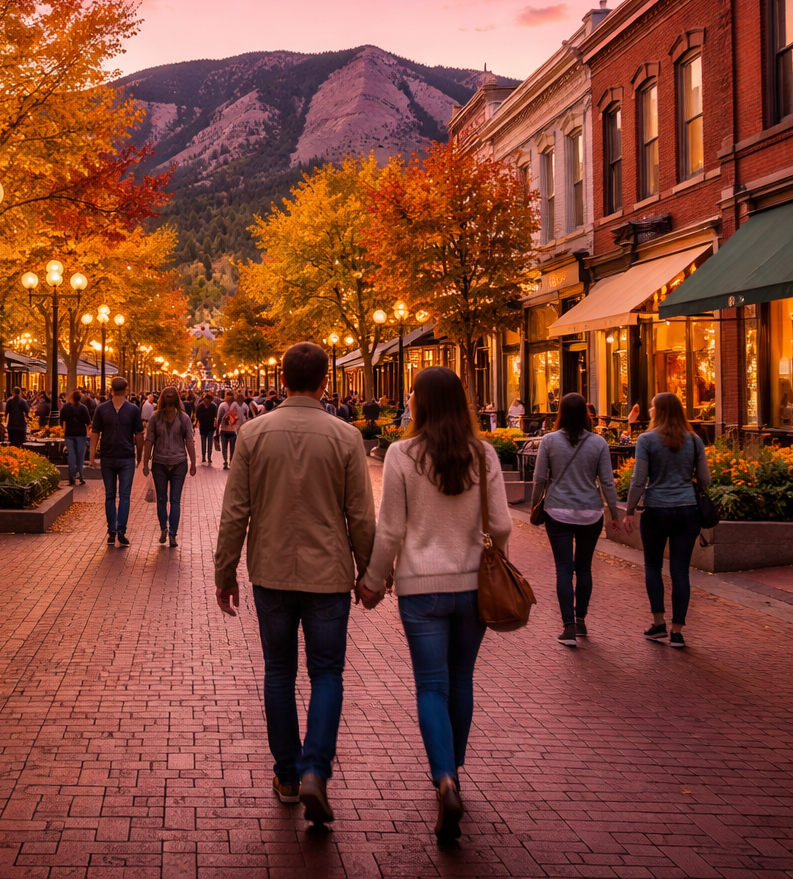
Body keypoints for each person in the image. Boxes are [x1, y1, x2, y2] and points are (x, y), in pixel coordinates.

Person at [214, 342, 376, 824]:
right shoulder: (346, 437)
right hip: (328, 574)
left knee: (279, 673)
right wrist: (368, 573)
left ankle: (286, 774)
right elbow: (361, 516)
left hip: (272, 571)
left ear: (282, 381)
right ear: (325, 381)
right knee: (327, 673)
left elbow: (235, 510)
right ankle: (315, 771)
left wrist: (225, 571)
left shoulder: (253, 434)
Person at [358, 365, 511, 845]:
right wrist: (496, 561)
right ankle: (456, 773)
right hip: (471, 585)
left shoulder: (402, 454)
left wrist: (373, 580)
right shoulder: (482, 454)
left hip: (420, 588)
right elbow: (502, 524)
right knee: (461, 680)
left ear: (419, 403)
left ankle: (442, 776)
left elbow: (391, 529)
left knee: (431, 686)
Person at [533, 392, 622, 647]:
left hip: (557, 512)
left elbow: (540, 478)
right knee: (583, 568)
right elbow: (606, 481)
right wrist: (614, 513)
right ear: (586, 413)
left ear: (560, 412)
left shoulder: (549, 441)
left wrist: (535, 504)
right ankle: (581, 619)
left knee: (563, 568)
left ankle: (568, 626)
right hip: (590, 512)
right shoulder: (598, 443)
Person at [624, 392, 709, 649]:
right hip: (687, 510)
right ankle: (678, 631)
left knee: (652, 566)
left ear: (657, 411)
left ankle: (658, 622)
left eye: (651, 408)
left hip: (657, 509)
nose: (649, 411)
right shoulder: (694, 441)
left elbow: (639, 479)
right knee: (681, 571)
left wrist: (629, 509)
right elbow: (704, 480)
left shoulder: (647, 440)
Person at [89, 375, 144, 547]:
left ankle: (111, 531)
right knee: (125, 496)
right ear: (126, 389)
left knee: (110, 495)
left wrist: (92, 455)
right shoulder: (133, 409)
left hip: (107, 456)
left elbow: (95, 433)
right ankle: (121, 530)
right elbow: (139, 435)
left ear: (111, 389)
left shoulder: (102, 409)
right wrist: (140, 455)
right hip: (126, 456)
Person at [143, 386, 197, 547]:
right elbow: (189, 442)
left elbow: (149, 441)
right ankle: (172, 534)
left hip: (160, 462)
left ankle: (164, 529)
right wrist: (193, 463)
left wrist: (145, 462)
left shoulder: (155, 417)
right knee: (175, 500)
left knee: (162, 499)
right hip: (178, 462)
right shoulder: (184, 418)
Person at [62, 391, 92, 485]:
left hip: (69, 433)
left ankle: (71, 476)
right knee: (80, 455)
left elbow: (61, 419)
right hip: (81, 434)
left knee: (71, 454)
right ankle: (81, 476)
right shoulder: (83, 408)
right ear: (80, 398)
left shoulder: (66, 407)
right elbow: (88, 422)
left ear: (71, 397)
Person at [217, 390, 245, 468]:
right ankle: (231, 461)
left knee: (224, 447)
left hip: (224, 429)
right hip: (234, 430)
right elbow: (241, 417)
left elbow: (219, 418)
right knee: (232, 447)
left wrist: (217, 430)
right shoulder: (238, 405)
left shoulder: (222, 405)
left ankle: (225, 461)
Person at [194, 392, 219, 464]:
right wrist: (197, 423)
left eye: (209, 401)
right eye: (207, 401)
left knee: (210, 443)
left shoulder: (213, 406)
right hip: (203, 427)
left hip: (210, 427)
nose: (207, 402)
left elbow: (215, 416)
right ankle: (204, 456)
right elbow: (197, 416)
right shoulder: (200, 406)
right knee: (203, 443)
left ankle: (209, 457)